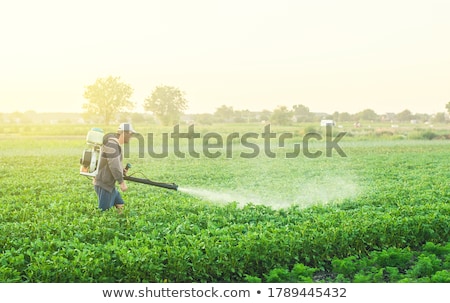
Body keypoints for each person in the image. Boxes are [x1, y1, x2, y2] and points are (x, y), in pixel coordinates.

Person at [93, 122, 136, 213]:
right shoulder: (112, 144)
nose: (131, 137)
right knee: (104, 213)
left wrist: (122, 171)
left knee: (120, 205)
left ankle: (121, 224)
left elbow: (114, 163)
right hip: (104, 185)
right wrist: (121, 182)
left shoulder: (114, 144)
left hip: (110, 185)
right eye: (130, 134)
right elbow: (114, 165)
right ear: (124, 133)